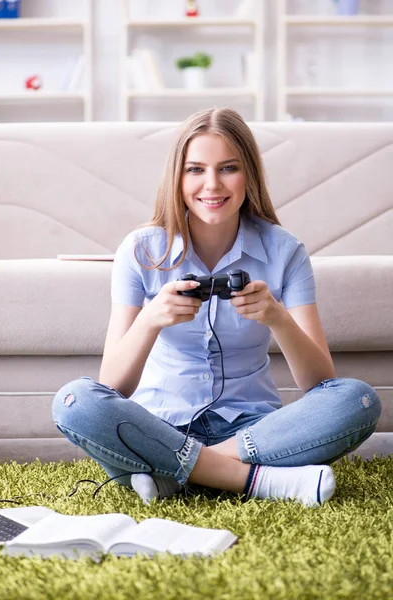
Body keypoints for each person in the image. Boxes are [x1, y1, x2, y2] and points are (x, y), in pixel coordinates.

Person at [52, 108, 381, 507]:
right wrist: (152, 319)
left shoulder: (284, 251)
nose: (212, 184)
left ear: (250, 176)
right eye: (195, 170)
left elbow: (320, 384)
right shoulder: (141, 250)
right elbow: (112, 386)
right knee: (74, 401)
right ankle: (259, 481)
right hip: (157, 425)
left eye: (228, 168)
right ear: (178, 177)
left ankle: (172, 474)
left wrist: (276, 317)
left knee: (358, 400)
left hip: (252, 430)